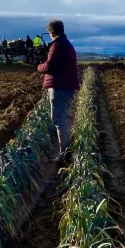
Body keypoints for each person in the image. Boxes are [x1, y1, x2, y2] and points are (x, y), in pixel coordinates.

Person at [36, 20, 79, 162]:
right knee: (62, 118)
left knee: (58, 119)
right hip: (65, 85)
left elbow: (50, 67)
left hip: (60, 86)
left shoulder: (58, 46)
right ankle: (67, 149)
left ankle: (64, 154)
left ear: (52, 32)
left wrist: (39, 66)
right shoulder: (65, 44)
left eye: (49, 33)